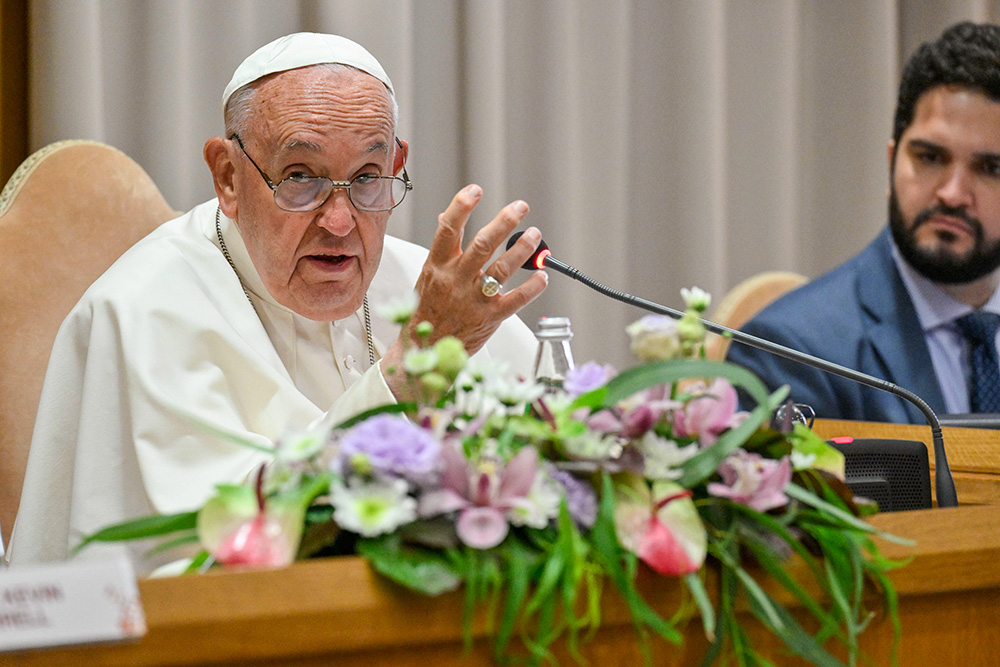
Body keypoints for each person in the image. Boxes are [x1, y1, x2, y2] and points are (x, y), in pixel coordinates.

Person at [8, 33, 548, 570]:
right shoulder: (142, 312)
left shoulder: (431, 290)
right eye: (300, 178)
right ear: (228, 177)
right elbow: (208, 562)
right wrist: (411, 370)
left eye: (366, 178)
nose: (340, 222)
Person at [727, 22, 1000, 424]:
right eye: (930, 157)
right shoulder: (792, 353)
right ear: (892, 163)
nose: (953, 193)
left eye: (990, 168)